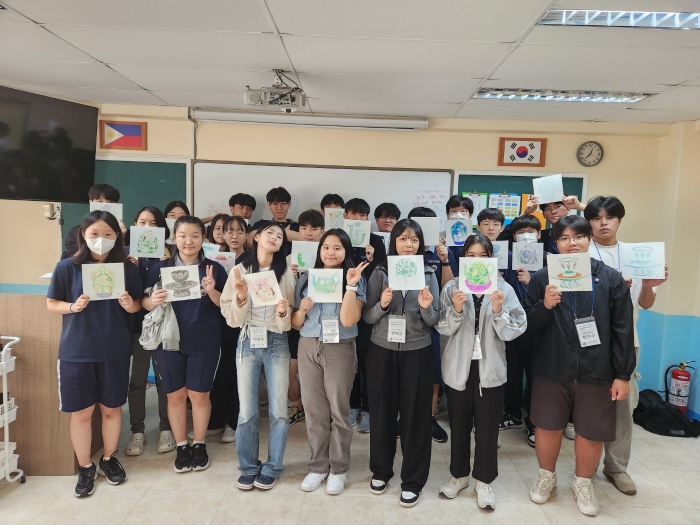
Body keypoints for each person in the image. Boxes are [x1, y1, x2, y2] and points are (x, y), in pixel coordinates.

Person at [523, 215, 635, 517]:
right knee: (547, 425)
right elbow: (527, 325)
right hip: (551, 366)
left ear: (589, 239)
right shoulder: (542, 278)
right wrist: (545, 306)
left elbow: (623, 328)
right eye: (564, 238)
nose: (572, 243)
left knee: (591, 430)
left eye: (578, 236)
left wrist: (622, 375)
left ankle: (583, 482)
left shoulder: (610, 278)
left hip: (597, 369)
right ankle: (546, 476)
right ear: (555, 244)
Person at [47, 210, 142, 497]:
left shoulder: (128, 269)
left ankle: (109, 459)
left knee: (112, 409)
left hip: (115, 348)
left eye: (108, 235)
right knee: (82, 412)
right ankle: (85, 466)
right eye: (94, 235)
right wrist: (72, 307)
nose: (101, 240)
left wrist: (129, 305)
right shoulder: (66, 267)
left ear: (118, 237)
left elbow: (138, 305)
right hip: (77, 350)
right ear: (83, 237)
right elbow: (52, 303)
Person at [584, 196, 668, 496]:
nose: (603, 222)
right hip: (589, 339)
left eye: (610, 217)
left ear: (620, 220)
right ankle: (587, 468)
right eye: (596, 217)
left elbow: (645, 304)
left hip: (624, 338)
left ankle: (617, 467)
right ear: (589, 221)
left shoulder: (636, 254)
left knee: (622, 408)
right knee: (590, 405)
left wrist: (647, 285)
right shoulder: (582, 252)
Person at [437, 234, 526, 509]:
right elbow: (441, 327)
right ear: (464, 259)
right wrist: (456, 308)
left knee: (487, 428)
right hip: (458, 366)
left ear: (491, 259)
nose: (477, 260)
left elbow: (515, 329)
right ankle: (458, 475)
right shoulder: (452, 287)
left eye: (483, 256)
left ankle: (484, 480)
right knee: (459, 424)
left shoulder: (503, 289)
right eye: (471, 255)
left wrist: (499, 311)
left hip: (490, 367)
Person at [363, 218, 439, 508]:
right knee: (382, 411)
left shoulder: (429, 273)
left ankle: (413, 480)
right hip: (382, 349)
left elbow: (435, 321)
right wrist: (382, 305)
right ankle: (381, 471)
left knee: (416, 417)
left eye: (415, 240)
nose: (409, 245)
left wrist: (424, 306)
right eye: (404, 239)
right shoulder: (380, 272)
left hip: (417, 351)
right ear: (394, 241)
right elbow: (367, 317)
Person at [142, 216, 227, 474]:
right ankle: (181, 445)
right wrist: (153, 300)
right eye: (182, 236)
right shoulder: (159, 268)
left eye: (195, 236)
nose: (188, 241)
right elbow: (143, 305)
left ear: (203, 238)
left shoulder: (214, 269)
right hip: (168, 341)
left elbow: (226, 306)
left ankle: (199, 444)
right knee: (175, 395)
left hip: (205, 340)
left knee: (199, 395)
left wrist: (212, 290)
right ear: (174, 238)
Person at [220, 222, 296, 491]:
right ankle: (249, 466)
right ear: (257, 238)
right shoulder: (240, 271)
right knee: (247, 411)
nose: (275, 237)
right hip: (247, 340)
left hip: (277, 341)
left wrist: (284, 310)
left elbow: (288, 322)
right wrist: (240, 298)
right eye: (270, 233)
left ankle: (273, 466)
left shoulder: (286, 272)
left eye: (279, 236)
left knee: (278, 411)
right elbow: (230, 318)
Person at [292, 230, 369, 495]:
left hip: (340, 347)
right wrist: (301, 310)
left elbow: (348, 320)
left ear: (346, 251)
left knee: (339, 410)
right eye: (326, 247)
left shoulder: (356, 279)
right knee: (314, 410)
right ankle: (317, 466)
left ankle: (339, 468)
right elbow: (295, 322)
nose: (330, 252)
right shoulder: (305, 279)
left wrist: (349, 286)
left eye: (337, 247)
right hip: (308, 344)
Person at [124, 206, 175, 456]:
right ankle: (137, 430)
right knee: (137, 380)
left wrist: (168, 266)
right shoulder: (123, 255)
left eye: (153, 223)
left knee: (165, 379)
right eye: (142, 222)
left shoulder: (171, 255)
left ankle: (166, 427)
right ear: (134, 225)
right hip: (136, 327)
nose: (147, 227)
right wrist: (126, 265)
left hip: (164, 326)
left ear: (162, 229)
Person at [201, 216, 253, 444]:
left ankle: (233, 422)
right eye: (227, 230)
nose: (233, 235)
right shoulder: (210, 259)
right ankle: (214, 421)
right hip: (215, 323)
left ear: (247, 235)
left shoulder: (252, 260)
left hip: (239, 324)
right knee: (218, 374)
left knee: (237, 374)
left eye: (239, 231)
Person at [407, 206, 456, 443]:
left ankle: (429, 416)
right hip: (406, 323)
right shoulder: (403, 252)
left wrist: (445, 260)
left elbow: (449, 287)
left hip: (434, 320)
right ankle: (405, 416)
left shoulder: (440, 252)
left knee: (434, 369)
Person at [499, 214, 543, 447]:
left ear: (538, 234)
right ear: (514, 236)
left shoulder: (547, 260)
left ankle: (534, 421)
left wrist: (531, 281)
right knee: (512, 374)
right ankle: (512, 414)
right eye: (520, 231)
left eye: (531, 231)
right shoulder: (506, 259)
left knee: (536, 376)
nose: (526, 235)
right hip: (511, 329)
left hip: (538, 331)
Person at [344, 198, 388, 433]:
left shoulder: (377, 241)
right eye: (354, 215)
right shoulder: (339, 239)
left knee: (369, 364)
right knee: (349, 363)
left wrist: (371, 261)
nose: (359, 220)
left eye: (363, 216)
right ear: (345, 216)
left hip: (370, 311)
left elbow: (381, 276)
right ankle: (352, 406)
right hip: (347, 309)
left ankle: (369, 409)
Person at [287, 209, 325, 427]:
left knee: (319, 376)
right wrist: (291, 276)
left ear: (322, 232)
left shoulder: (327, 256)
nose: (308, 233)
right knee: (290, 371)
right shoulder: (288, 259)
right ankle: (298, 406)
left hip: (319, 325)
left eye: (313, 229)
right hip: (295, 324)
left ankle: (318, 411)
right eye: (303, 228)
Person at [61, 183, 123, 259]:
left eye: (111, 202)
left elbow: (124, 258)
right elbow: (70, 259)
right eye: (100, 201)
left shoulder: (125, 232)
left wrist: (122, 237)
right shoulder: (76, 231)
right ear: (91, 202)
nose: (105, 206)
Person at [249, 187, 300, 253]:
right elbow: (250, 243)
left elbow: (309, 242)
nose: (279, 208)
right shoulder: (260, 224)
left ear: (289, 204)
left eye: (283, 204)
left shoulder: (297, 226)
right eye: (275, 204)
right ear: (269, 204)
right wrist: (285, 234)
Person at [445, 195, 474, 263]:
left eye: (463, 211)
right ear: (447, 215)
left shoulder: (476, 239)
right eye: (453, 211)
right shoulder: (439, 238)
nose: (458, 215)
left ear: (470, 215)